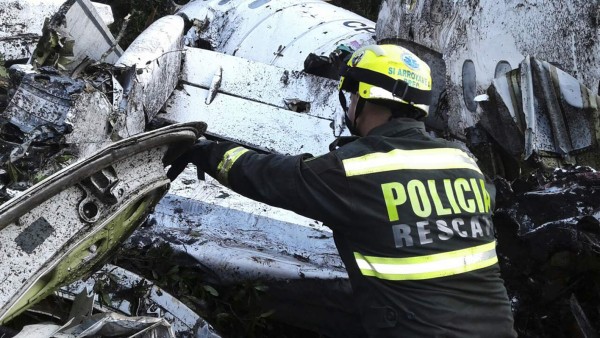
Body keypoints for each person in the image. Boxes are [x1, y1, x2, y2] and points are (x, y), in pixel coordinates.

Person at [167, 44, 517, 337]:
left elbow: (268, 176)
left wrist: (205, 151)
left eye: (352, 95)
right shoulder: (463, 163)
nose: (349, 105)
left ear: (366, 96)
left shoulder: (357, 170)